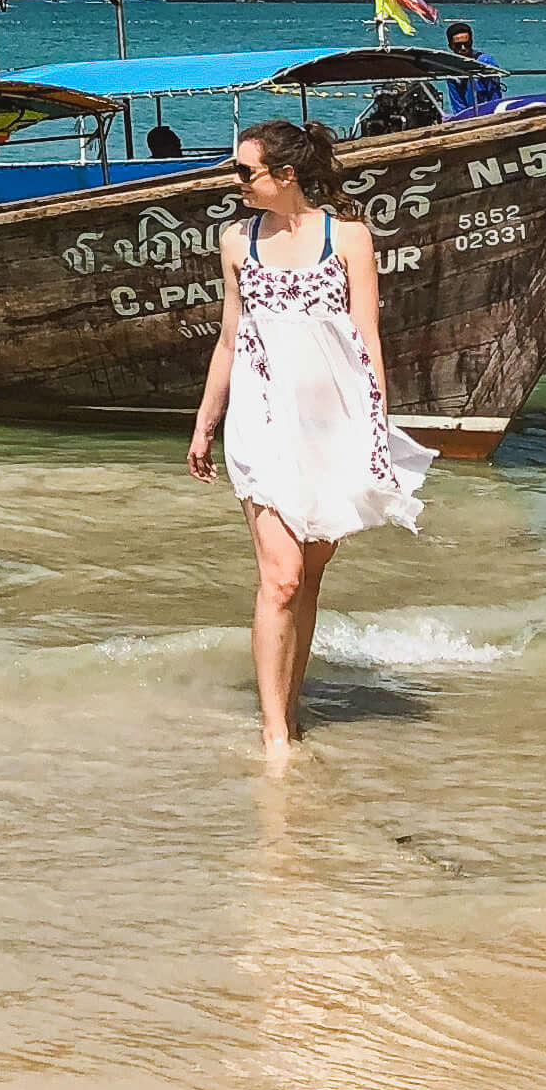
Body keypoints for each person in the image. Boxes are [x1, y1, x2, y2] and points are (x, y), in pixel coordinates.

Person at [185, 118, 433, 768]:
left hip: (333, 427)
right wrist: (205, 421)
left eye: (246, 171)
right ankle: (273, 738)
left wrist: (376, 426)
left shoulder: (346, 236)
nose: (235, 181)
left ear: (285, 175)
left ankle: (289, 713)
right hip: (260, 425)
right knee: (282, 577)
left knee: (312, 576)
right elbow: (229, 336)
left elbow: (368, 338)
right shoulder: (236, 240)